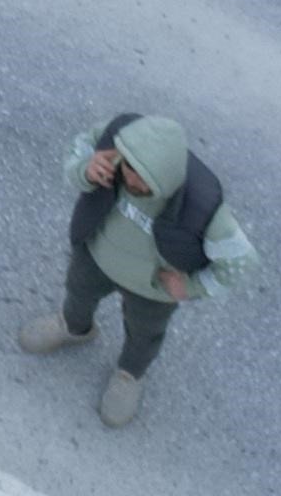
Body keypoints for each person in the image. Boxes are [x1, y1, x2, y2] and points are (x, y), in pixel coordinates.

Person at [17, 109, 255, 428]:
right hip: (97, 256)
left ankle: (130, 373)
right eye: (128, 167)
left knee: (145, 333)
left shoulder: (201, 208)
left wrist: (192, 287)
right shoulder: (116, 152)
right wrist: (85, 171)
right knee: (78, 291)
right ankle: (74, 328)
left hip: (152, 287)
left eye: (142, 177)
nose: (129, 178)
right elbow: (79, 150)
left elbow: (241, 261)